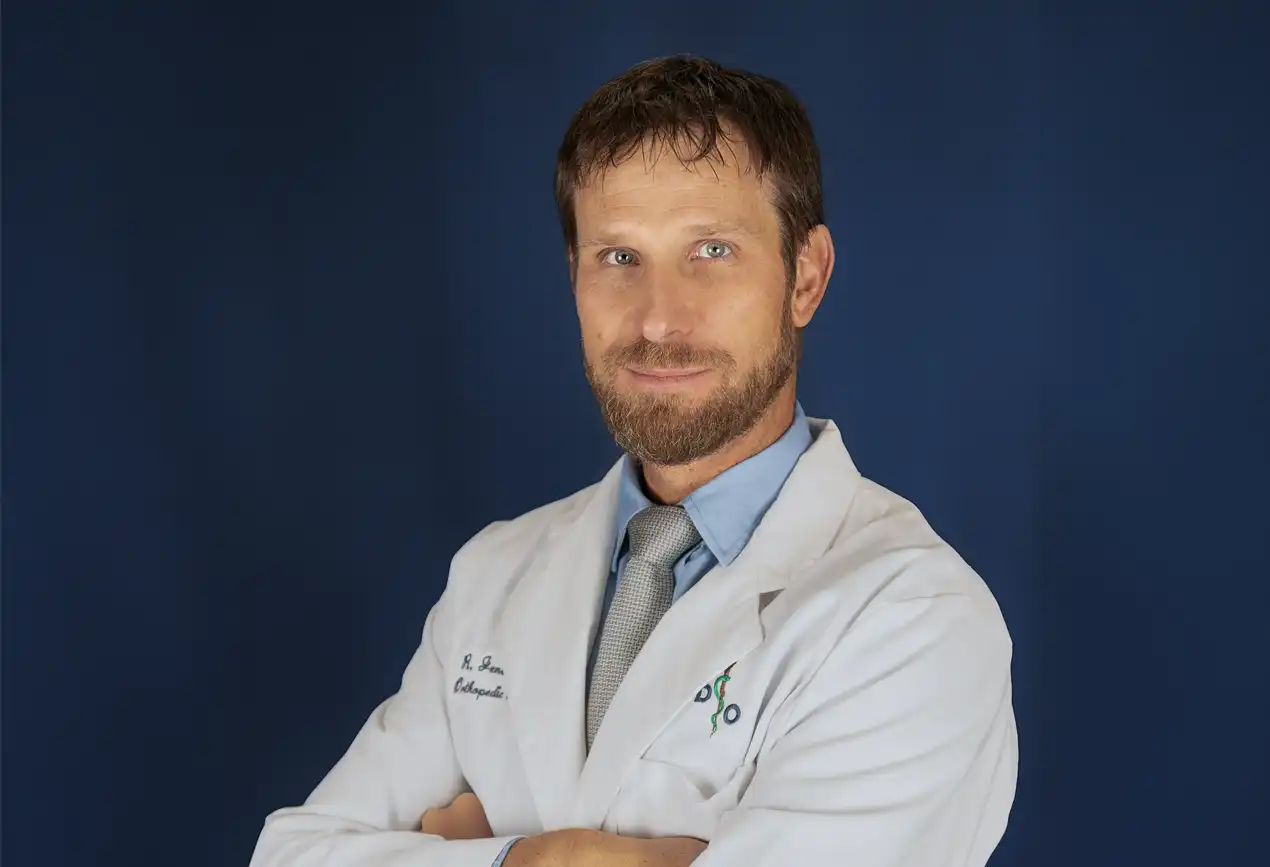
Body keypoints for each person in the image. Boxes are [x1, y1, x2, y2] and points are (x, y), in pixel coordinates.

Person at [249, 54, 1018, 867]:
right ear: (573, 277)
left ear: (805, 276)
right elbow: (289, 856)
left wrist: (466, 846)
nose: (658, 320)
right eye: (619, 257)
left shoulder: (915, 617)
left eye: (711, 250)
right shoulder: (494, 574)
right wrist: (543, 860)